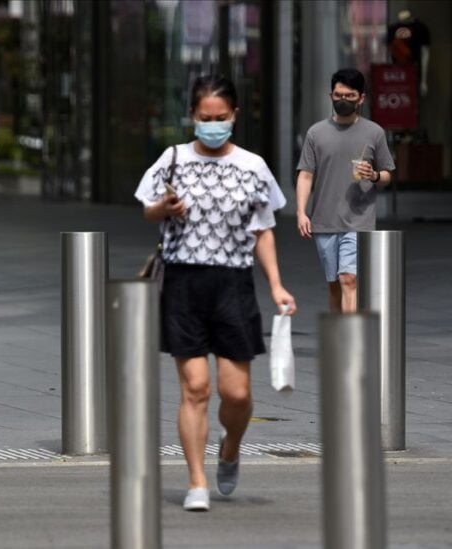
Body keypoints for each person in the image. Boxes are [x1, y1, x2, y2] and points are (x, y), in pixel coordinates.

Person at [134, 75, 296, 512]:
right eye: (205, 119)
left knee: (238, 393)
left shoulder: (253, 166)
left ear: (235, 116)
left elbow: (263, 229)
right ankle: (197, 480)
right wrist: (163, 209)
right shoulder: (172, 159)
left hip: (233, 283)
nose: (212, 125)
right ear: (192, 116)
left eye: (220, 118)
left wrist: (276, 284)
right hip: (184, 282)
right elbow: (148, 210)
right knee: (196, 388)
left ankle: (230, 447)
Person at [296, 68, 395, 314]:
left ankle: (349, 344)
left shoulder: (374, 132)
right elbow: (306, 174)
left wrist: (373, 175)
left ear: (361, 98)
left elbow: (387, 175)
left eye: (350, 96)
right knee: (334, 286)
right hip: (324, 221)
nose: (343, 100)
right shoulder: (316, 133)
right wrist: (301, 212)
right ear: (331, 95)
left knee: (349, 279)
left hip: (359, 221)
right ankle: (339, 340)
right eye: (338, 95)